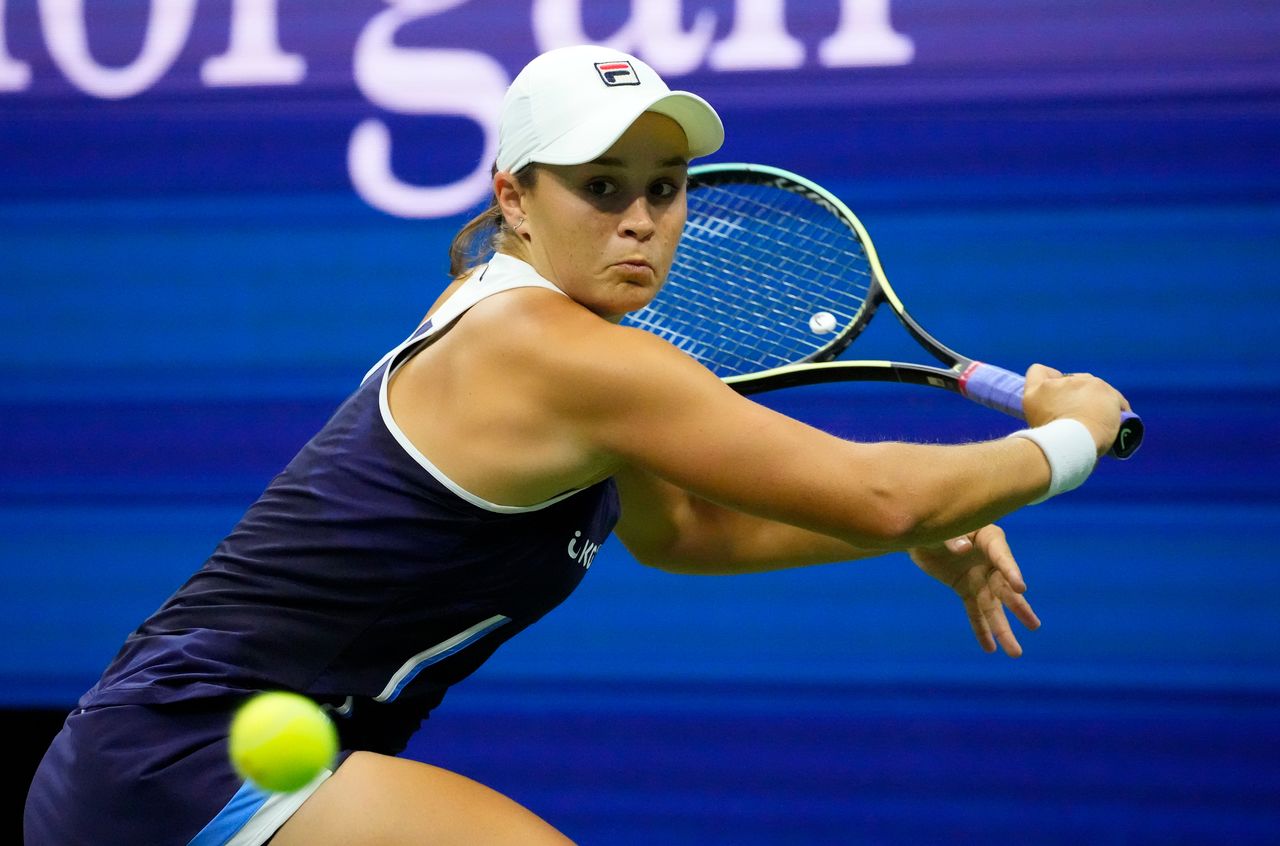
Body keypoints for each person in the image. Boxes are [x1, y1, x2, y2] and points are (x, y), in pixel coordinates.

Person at [24, 44, 1129, 846]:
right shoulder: (556, 349)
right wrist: (1069, 436)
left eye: (662, 188)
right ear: (514, 196)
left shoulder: (537, 326)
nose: (641, 219)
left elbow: (684, 531)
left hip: (192, 762)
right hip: (180, 763)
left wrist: (909, 536)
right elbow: (877, 490)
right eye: (601, 189)